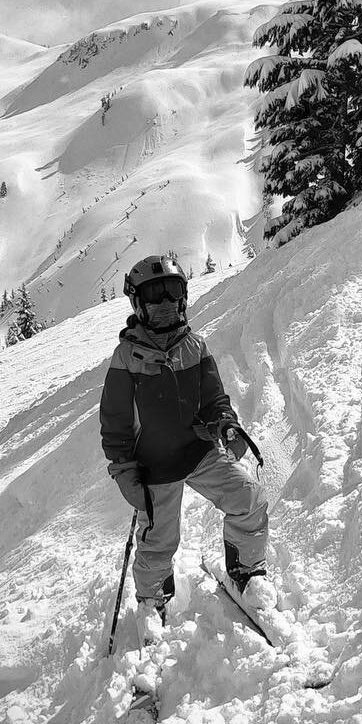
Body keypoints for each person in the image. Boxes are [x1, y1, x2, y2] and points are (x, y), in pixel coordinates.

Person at [99, 254, 270, 643]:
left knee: (250, 499)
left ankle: (246, 572)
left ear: (183, 297)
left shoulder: (195, 346)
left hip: (199, 451)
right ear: (138, 303)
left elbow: (214, 400)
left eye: (171, 292)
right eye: (153, 294)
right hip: (154, 466)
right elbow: (115, 424)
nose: (164, 302)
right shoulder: (126, 358)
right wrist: (125, 471)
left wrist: (225, 425)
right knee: (159, 541)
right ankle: (153, 601)